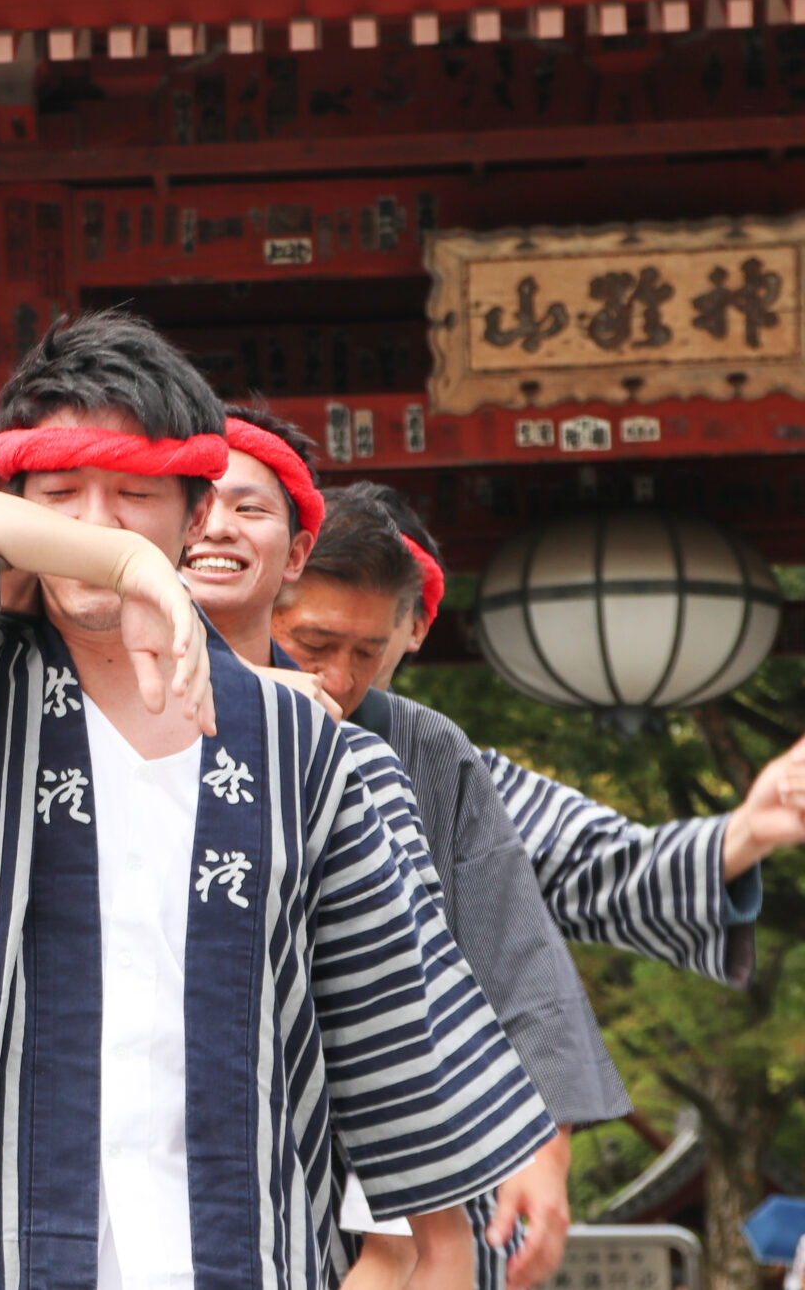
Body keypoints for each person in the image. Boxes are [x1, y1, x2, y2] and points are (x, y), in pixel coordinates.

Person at [0, 311, 555, 1290]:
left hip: (226, 1248)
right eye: (58, 496)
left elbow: (388, 1019)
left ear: (195, 511)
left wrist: (442, 1244)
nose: (92, 523)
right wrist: (122, 563)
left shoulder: (304, 747)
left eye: (132, 496)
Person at [190, 425, 622, 1290]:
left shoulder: (412, 745)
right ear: (275, 591)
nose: (342, 677)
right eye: (317, 646)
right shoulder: (130, 704)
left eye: (366, 652)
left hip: (382, 1111)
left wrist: (549, 1135)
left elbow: (508, 944)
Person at [356, 487, 805, 988]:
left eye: (365, 624)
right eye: (315, 632)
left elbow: (600, 866)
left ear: (415, 624)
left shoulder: (444, 772)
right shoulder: (252, 729)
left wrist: (748, 832)